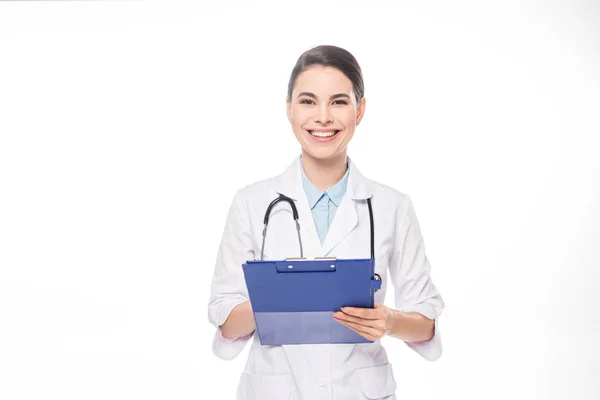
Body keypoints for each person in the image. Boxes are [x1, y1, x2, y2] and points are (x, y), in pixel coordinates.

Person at [207, 44, 445, 400]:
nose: (322, 117)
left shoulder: (393, 206)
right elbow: (224, 318)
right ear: (288, 109)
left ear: (359, 110)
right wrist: (280, 297)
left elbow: (425, 324)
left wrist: (390, 322)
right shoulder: (251, 203)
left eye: (338, 101)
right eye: (307, 101)